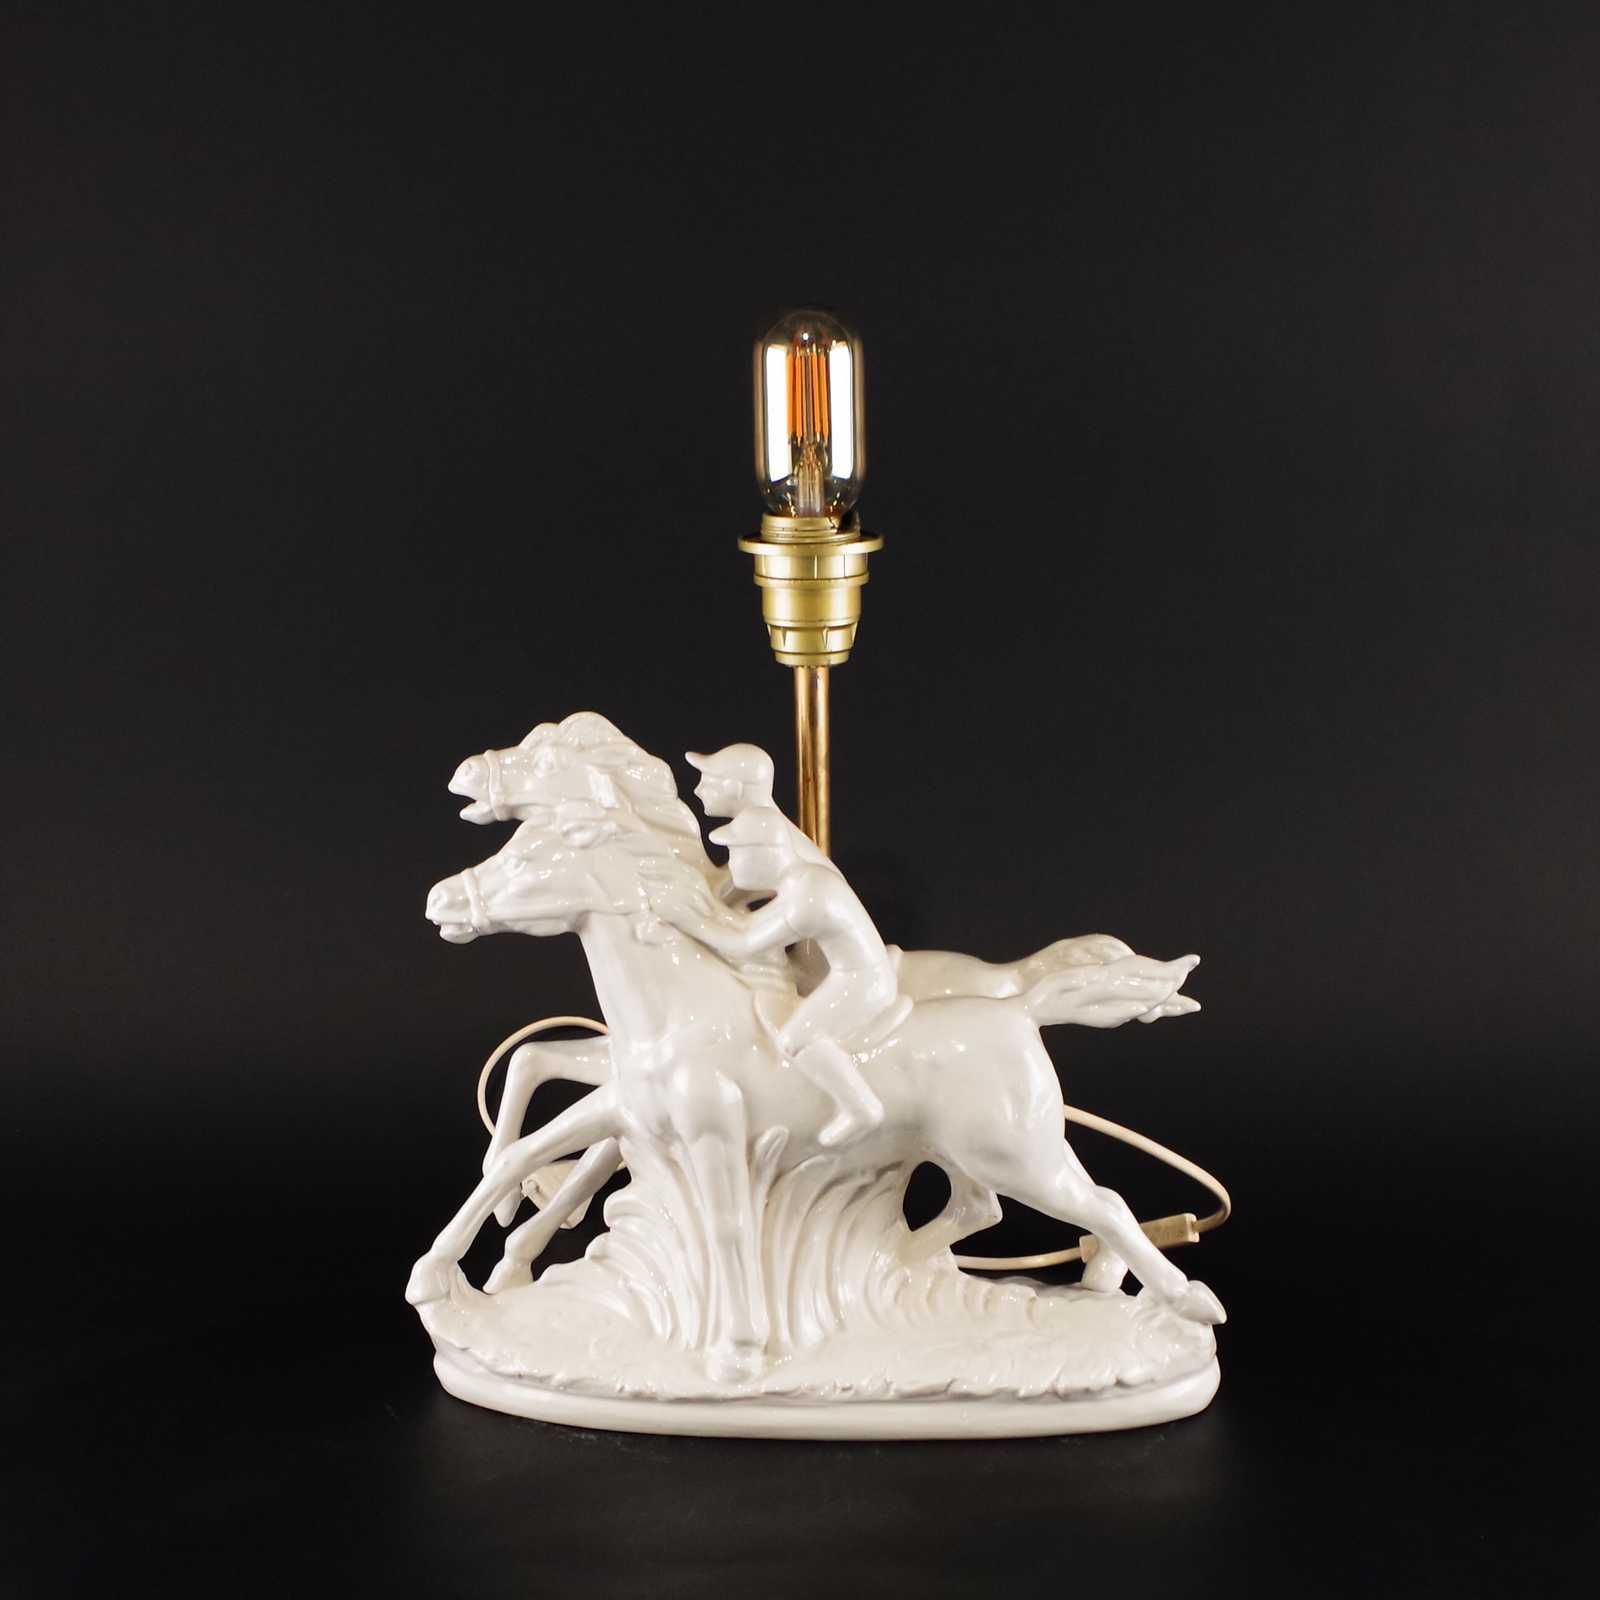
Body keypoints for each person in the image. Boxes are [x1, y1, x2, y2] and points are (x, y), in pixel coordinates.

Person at [649, 805, 895, 1147]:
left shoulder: (809, 895)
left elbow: (744, 944)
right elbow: (749, 926)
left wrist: (688, 920)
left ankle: (861, 1108)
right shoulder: (800, 880)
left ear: (762, 854)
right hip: (849, 975)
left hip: (862, 982)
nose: (732, 865)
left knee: (796, 1038)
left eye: (736, 854)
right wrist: (699, 913)